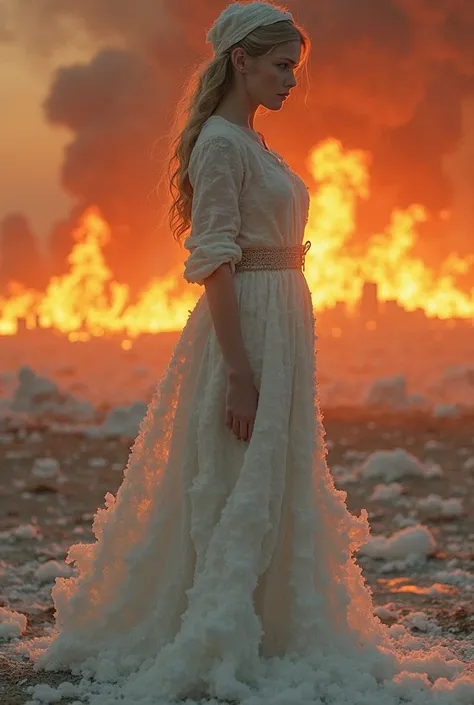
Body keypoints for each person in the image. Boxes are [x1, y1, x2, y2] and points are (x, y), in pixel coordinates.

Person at [28, 3, 474, 704]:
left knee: (273, 472)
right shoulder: (220, 145)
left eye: (295, 66)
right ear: (241, 59)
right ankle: (219, 620)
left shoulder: (255, 143)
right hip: (247, 330)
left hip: (283, 321)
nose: (293, 80)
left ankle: (271, 617)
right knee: (236, 470)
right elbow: (213, 261)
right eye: (282, 65)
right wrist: (238, 370)